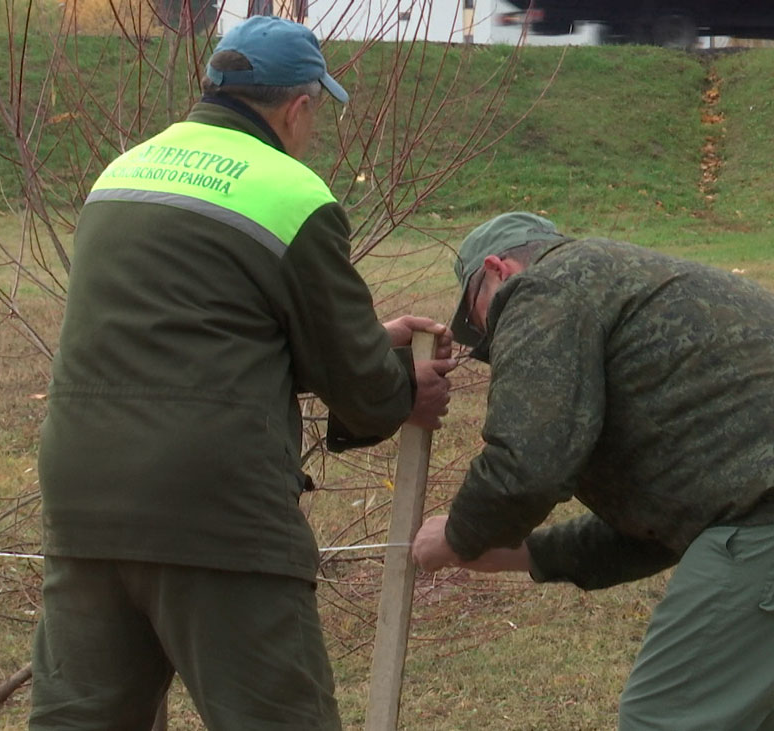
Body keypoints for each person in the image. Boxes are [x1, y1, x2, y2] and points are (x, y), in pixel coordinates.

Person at [30, 16, 456, 731]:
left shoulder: (122, 173)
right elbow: (366, 390)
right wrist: (401, 377)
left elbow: (190, 338)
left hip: (82, 499)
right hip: (213, 508)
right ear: (299, 108)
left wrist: (335, 348)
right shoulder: (291, 194)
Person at [411, 212, 774, 730]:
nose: (486, 339)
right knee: (740, 715)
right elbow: (661, 524)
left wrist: (459, 536)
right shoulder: (618, 282)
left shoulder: (544, 286)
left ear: (498, 269)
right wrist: (520, 555)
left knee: (665, 717)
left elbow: (528, 463)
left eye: (478, 319)